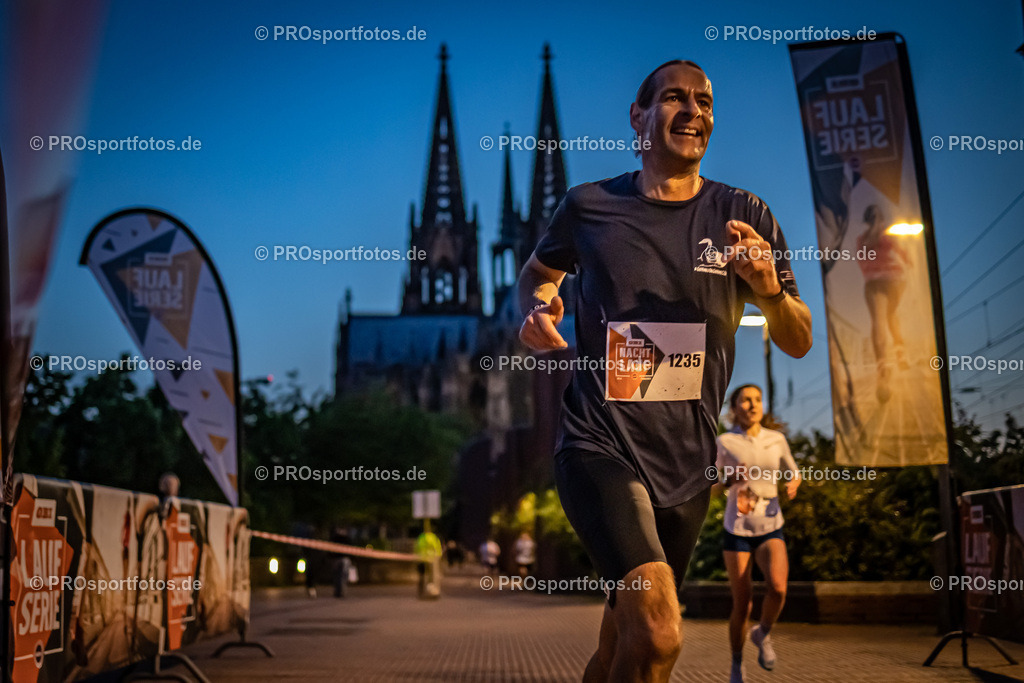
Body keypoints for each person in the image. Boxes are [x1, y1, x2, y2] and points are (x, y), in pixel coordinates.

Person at [517, 59, 811, 682]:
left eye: (704, 102)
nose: (693, 112)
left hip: (685, 465)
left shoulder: (745, 214)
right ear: (639, 115)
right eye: (674, 98)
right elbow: (538, 273)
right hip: (599, 444)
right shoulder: (589, 206)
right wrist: (539, 308)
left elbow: (799, 340)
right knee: (658, 629)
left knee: (623, 641)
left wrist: (770, 292)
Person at [714, 384, 800, 683]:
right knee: (743, 601)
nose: (752, 405)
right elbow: (709, 487)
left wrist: (793, 484)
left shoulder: (776, 439)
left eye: (757, 400)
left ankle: (762, 633)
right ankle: (737, 664)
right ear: (734, 407)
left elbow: (793, 471)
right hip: (737, 529)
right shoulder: (724, 442)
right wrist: (727, 481)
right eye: (746, 400)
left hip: (770, 525)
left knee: (778, 588)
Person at [856, 204, 909, 403]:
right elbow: (905, 256)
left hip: (875, 283)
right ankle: (900, 350)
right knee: (891, 314)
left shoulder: (862, 240)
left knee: (879, 319)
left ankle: (882, 362)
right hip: (896, 280)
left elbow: (862, 261)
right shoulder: (888, 238)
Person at [415, 527, 443, 598]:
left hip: (422, 559)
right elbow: (437, 548)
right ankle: (432, 592)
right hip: (431, 560)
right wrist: (438, 557)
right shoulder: (433, 538)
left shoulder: (421, 537)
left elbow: (417, 547)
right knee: (432, 578)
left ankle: (421, 592)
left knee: (422, 577)